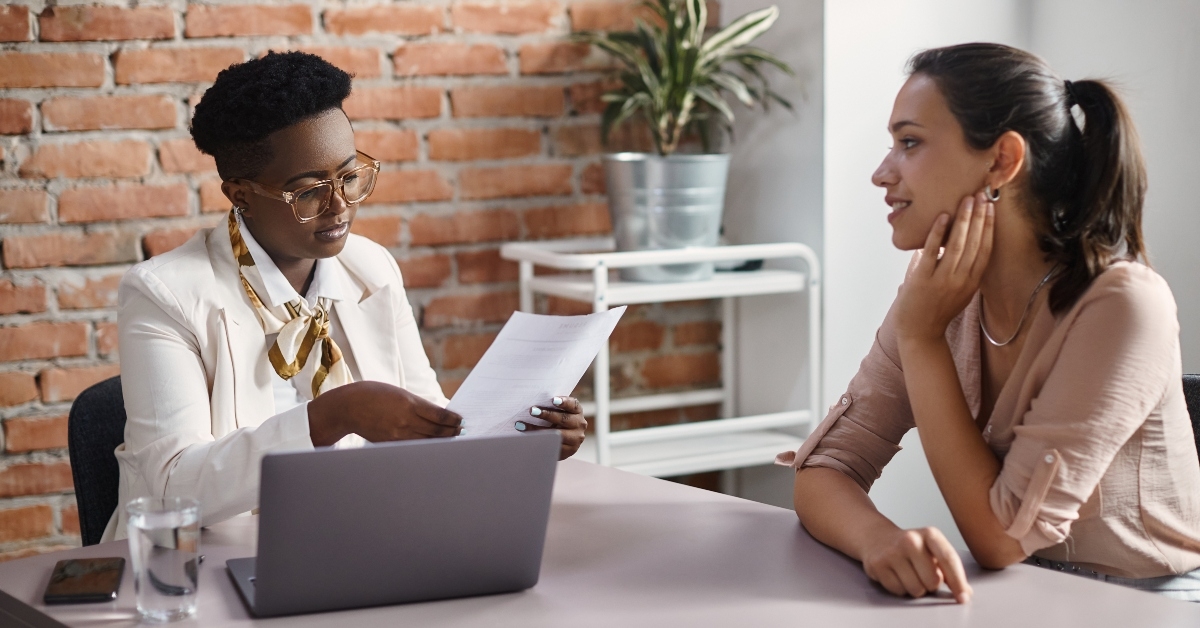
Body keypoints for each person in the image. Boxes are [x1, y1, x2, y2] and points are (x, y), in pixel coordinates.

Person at [106, 52, 587, 542]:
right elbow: (170, 489)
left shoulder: (370, 267)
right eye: (310, 190)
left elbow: (434, 430)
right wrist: (335, 415)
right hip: (211, 562)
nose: (341, 206)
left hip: (364, 537)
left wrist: (526, 437)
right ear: (241, 195)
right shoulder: (164, 295)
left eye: (350, 175)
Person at [780, 43, 1200, 603]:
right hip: (1027, 595)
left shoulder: (1124, 306)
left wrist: (922, 337)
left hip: (1151, 603)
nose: (882, 174)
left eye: (910, 143)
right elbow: (826, 468)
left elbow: (1001, 538)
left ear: (1002, 160)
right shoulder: (939, 293)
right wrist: (878, 539)